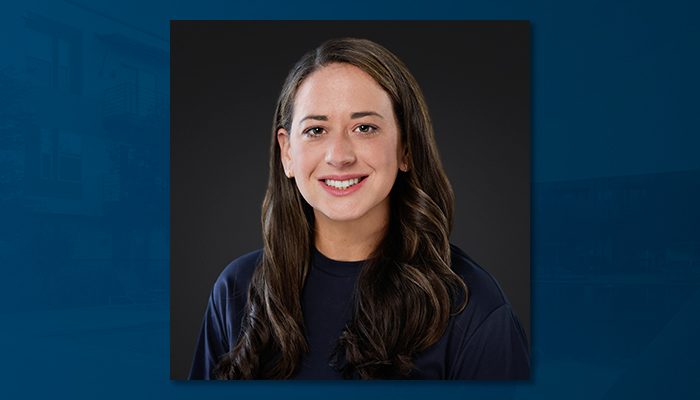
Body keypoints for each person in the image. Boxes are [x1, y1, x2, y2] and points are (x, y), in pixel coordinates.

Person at [189, 37, 530, 380]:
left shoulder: (470, 303)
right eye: (316, 130)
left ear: (406, 148)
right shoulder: (236, 288)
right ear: (287, 153)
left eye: (365, 127)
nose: (339, 155)